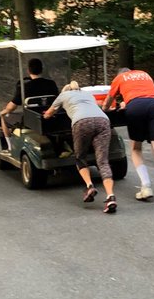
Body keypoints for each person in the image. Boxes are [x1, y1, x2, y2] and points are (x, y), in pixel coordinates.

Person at [103, 67, 154, 208]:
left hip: (136, 107)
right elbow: (143, 93)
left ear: (120, 74)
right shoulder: (145, 73)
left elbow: (108, 100)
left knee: (136, 148)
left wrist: (105, 110)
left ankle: (146, 187)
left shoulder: (120, 78)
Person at [44, 82, 117, 213]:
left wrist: (47, 114)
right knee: (103, 161)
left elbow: (48, 114)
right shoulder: (88, 94)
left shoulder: (63, 95)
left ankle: (89, 186)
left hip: (82, 122)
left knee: (80, 157)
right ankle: (110, 196)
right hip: (103, 121)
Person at [0, 57, 58, 147]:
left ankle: (10, 147)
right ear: (42, 69)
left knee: (3, 117)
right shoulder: (51, 84)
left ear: (28, 70)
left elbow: (11, 107)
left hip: (30, 120)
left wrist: (4, 111)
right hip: (50, 116)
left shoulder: (25, 87)